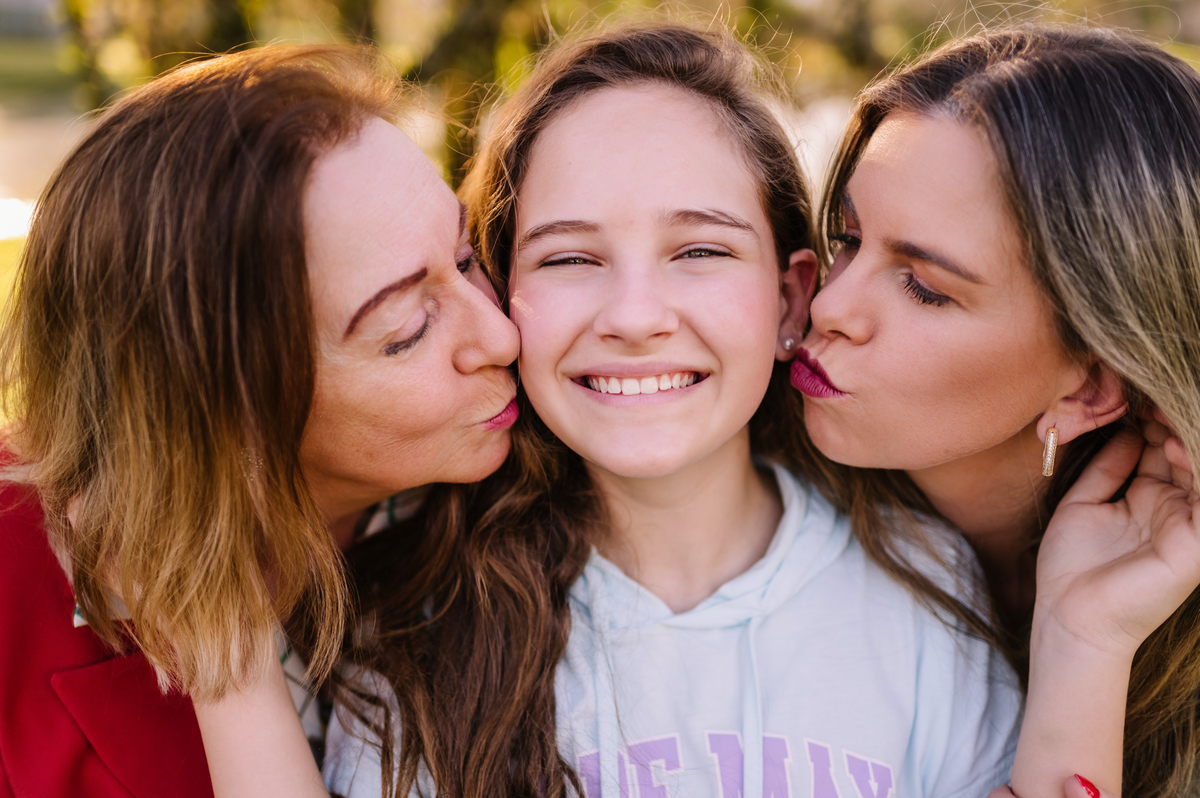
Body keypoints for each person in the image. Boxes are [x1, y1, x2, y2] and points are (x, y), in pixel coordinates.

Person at [318, 22, 1026, 798]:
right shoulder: (413, 619)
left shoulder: (923, 580)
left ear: (790, 299)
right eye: (570, 258)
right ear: (500, 295)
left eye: (699, 251)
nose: (634, 316)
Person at [0, 44, 520, 797]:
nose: (500, 337)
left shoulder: (542, 480)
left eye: (468, 258)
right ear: (222, 410)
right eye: (407, 329)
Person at [791, 24, 1200, 798]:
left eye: (924, 287)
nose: (832, 304)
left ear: (1089, 389)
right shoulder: (746, 517)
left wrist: (1083, 642)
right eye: (846, 239)